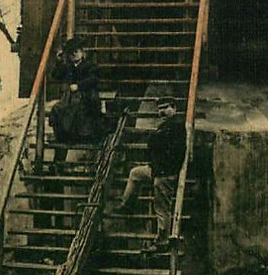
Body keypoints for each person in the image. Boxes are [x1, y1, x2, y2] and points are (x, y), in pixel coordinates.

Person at [116, 100, 186, 250]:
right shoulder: (162, 127)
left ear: (174, 109)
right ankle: (127, 204)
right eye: (160, 109)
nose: (162, 112)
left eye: (166, 108)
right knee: (135, 173)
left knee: (161, 208)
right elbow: (152, 147)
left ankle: (162, 241)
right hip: (156, 169)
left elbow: (173, 154)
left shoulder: (177, 128)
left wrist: (161, 168)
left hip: (167, 173)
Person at [48, 37, 105, 144]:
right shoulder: (68, 67)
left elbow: (94, 79)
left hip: (86, 96)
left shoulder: (90, 65)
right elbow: (56, 76)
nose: (74, 54)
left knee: (74, 110)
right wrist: (59, 61)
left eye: (76, 51)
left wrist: (79, 85)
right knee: (57, 109)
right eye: (71, 53)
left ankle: (76, 137)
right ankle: (62, 137)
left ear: (82, 52)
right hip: (71, 97)